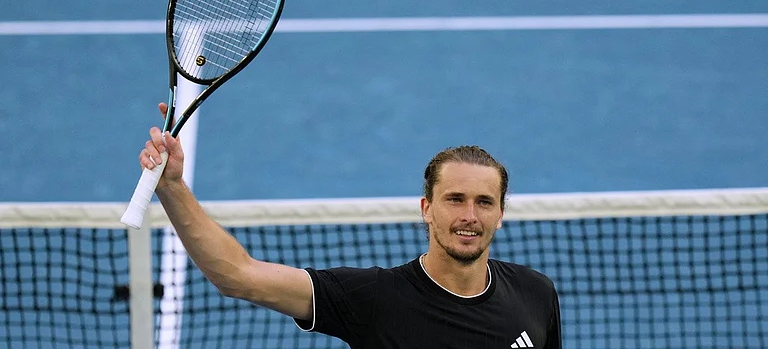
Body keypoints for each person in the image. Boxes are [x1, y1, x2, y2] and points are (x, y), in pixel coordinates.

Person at [140, 102, 562, 349]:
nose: (469, 216)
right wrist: (173, 187)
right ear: (426, 208)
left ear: (500, 213)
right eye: (454, 199)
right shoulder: (374, 300)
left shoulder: (535, 293)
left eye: (484, 202)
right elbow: (239, 276)